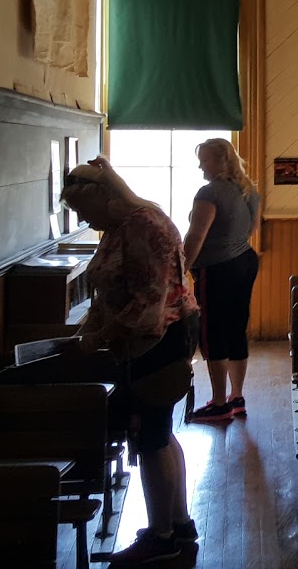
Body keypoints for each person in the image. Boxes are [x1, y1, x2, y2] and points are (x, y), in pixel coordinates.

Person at [63, 157, 199, 563]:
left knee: (152, 440)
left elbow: (148, 302)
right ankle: (178, 525)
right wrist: (92, 325)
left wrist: (102, 335)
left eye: (82, 208)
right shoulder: (121, 225)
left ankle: (161, 538)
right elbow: (111, 290)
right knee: (161, 435)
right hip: (147, 342)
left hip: (157, 342)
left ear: (103, 197)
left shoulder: (143, 225)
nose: (81, 218)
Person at [182, 138, 262, 422]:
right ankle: (236, 397)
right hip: (245, 262)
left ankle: (219, 403)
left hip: (216, 268)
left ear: (221, 161)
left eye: (204, 161)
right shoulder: (249, 191)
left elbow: (196, 236)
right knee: (236, 328)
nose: (201, 167)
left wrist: (180, 270)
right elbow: (252, 229)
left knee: (213, 332)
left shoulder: (210, 193)